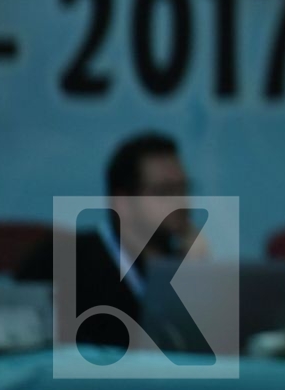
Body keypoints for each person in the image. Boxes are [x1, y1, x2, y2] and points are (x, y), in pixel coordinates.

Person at [15, 131, 204, 348]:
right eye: (165, 191)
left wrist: (193, 280)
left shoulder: (186, 262)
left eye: (184, 188)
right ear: (122, 202)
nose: (182, 201)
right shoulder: (61, 262)